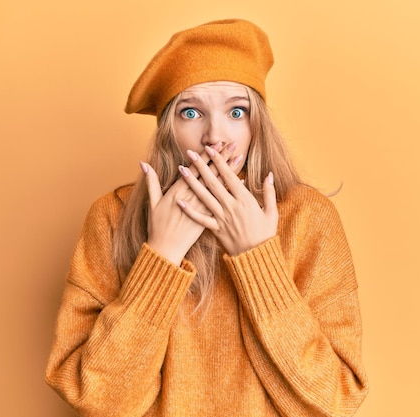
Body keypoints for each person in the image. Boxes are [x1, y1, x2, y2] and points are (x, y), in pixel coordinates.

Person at [45, 18, 369, 417]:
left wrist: (258, 259)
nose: (216, 136)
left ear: (258, 123)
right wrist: (161, 257)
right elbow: (99, 400)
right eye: (191, 113)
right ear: (168, 129)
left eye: (236, 111)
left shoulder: (308, 218)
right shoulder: (111, 217)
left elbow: (334, 401)